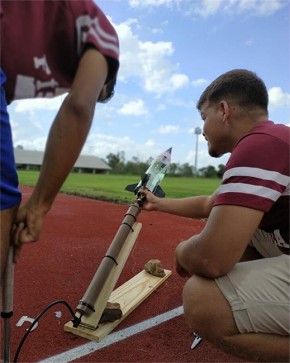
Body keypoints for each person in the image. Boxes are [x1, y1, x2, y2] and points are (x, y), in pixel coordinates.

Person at [140, 69, 289, 362]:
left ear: (223, 110)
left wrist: (183, 252)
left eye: (203, 117)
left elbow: (211, 258)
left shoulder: (260, 144)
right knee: (235, 227)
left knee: (203, 300)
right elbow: (212, 203)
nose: (204, 128)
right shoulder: (273, 139)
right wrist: (157, 204)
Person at [0, 0, 119, 286]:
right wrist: (39, 204)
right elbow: (79, 106)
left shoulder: (22, 56)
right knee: (5, 195)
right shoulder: (104, 36)